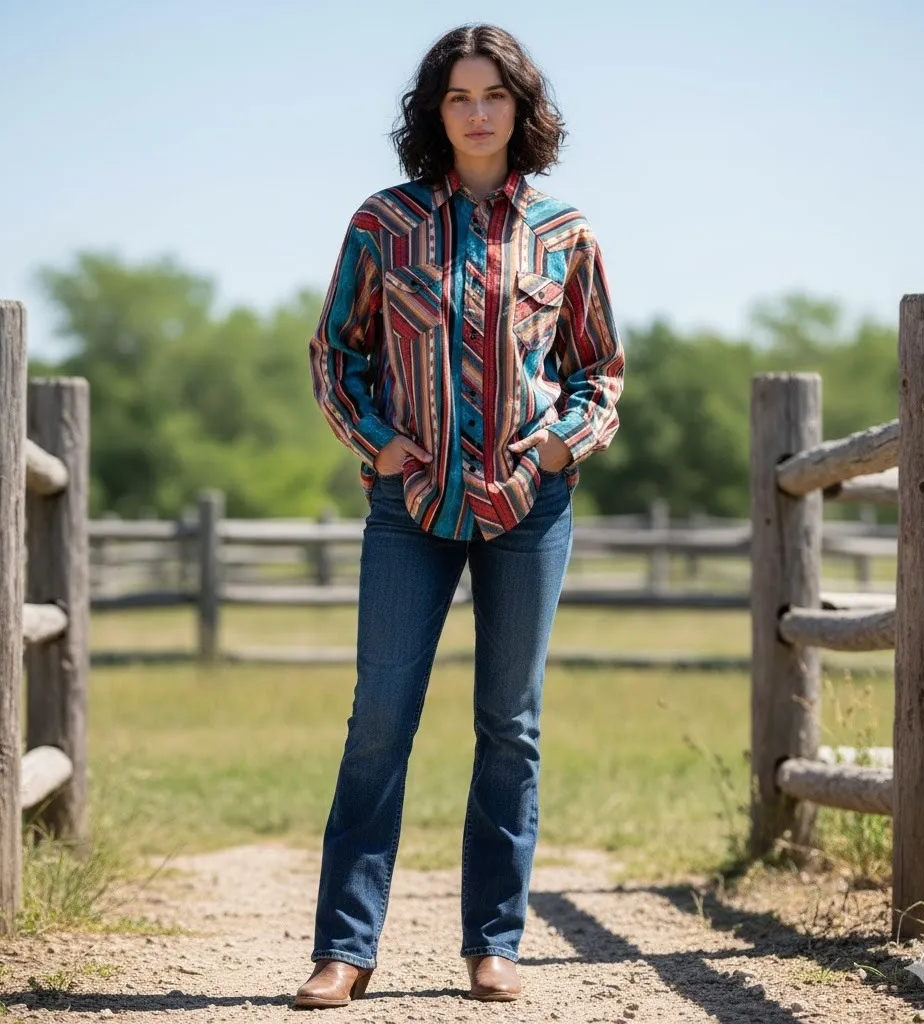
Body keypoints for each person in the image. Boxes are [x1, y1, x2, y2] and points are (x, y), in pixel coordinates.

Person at [295, 22, 624, 1011]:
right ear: (433, 112)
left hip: (530, 504)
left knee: (508, 728)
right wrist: (377, 442)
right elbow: (334, 353)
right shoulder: (383, 224)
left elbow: (598, 368)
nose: (476, 113)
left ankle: (494, 944)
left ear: (520, 110)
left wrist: (565, 443)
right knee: (379, 724)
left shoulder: (564, 233)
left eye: (494, 96)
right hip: (410, 503)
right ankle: (344, 950)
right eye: (457, 97)